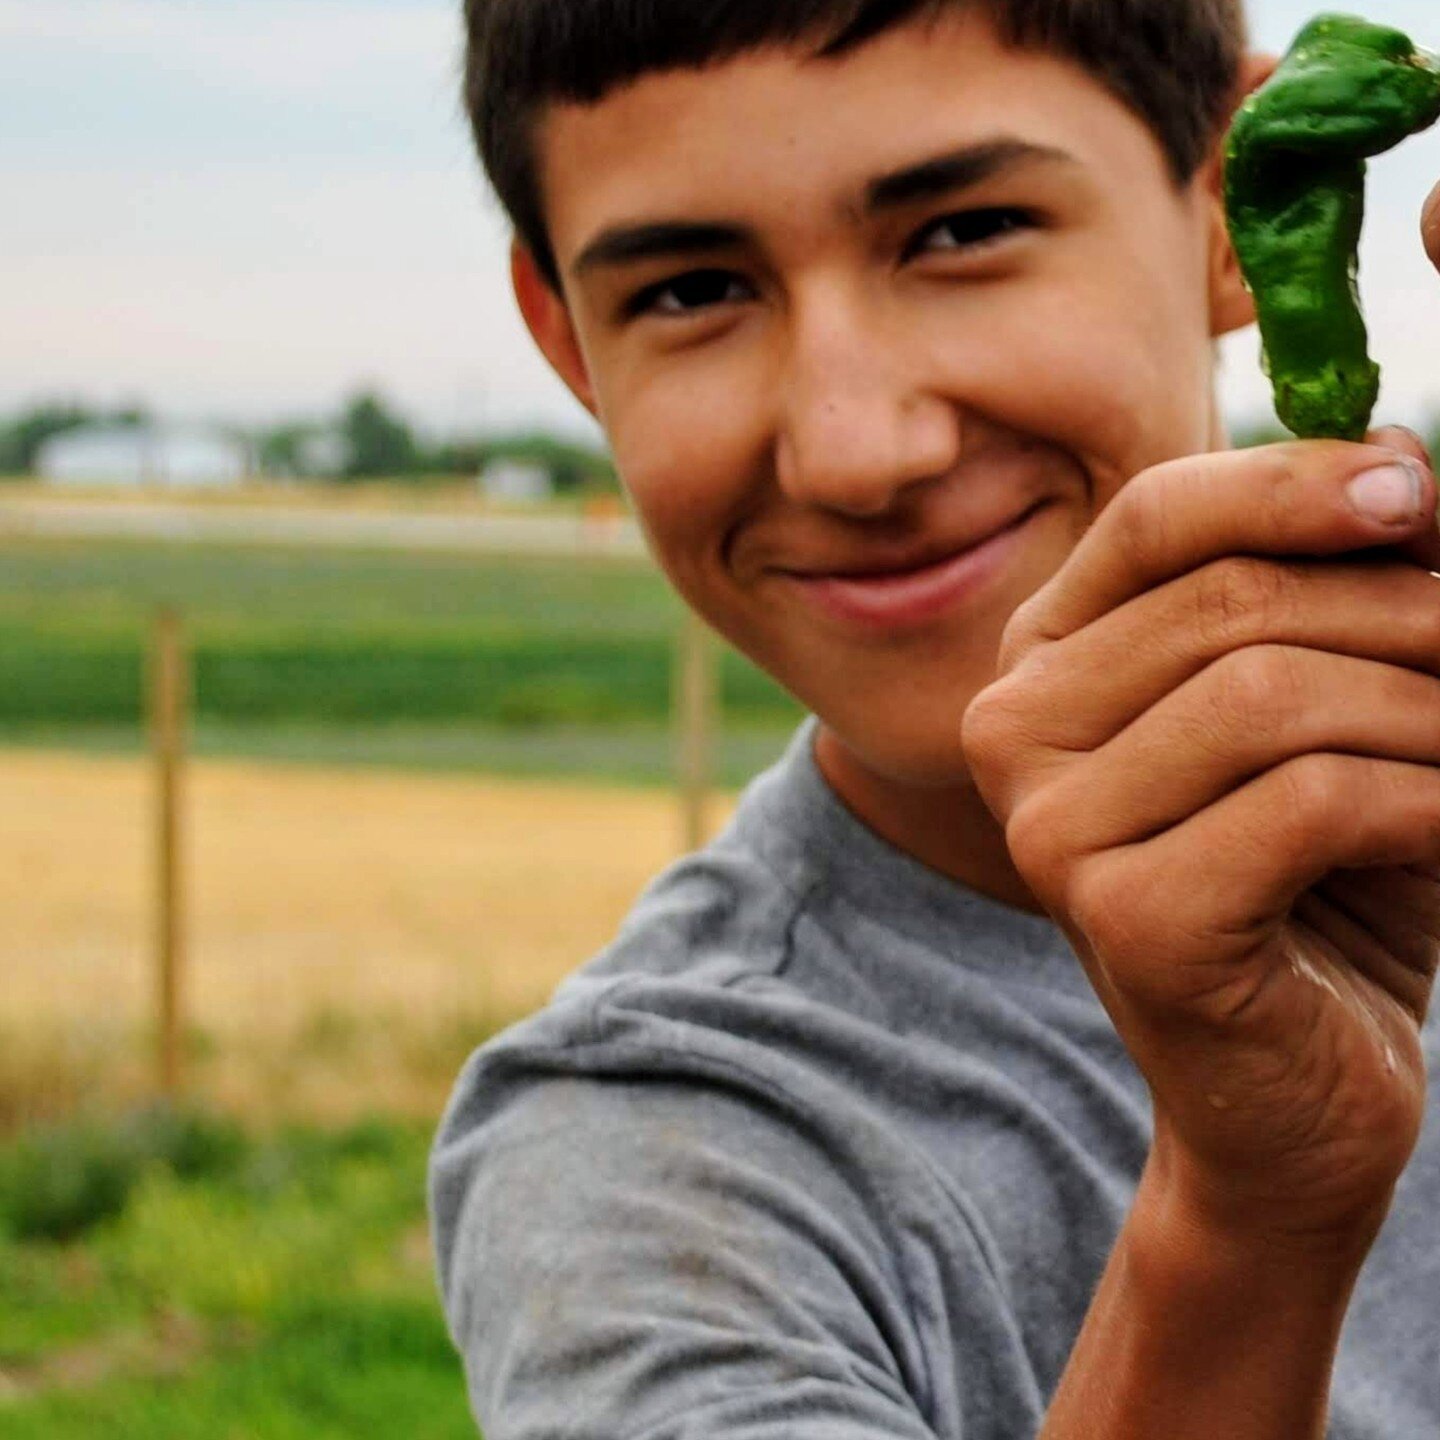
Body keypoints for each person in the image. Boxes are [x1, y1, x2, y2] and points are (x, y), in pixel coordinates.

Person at [431, 1, 1440, 1435]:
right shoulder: (650, 1163)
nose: (857, 450)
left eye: (962, 231)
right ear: (568, 345)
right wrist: (1250, 1207)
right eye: (688, 289)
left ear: (1230, 202)